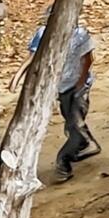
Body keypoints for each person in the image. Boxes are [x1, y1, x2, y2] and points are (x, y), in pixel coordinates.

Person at [29, 22, 100, 181]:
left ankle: (64, 162)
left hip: (78, 87)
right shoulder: (42, 33)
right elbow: (34, 59)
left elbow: (88, 59)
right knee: (71, 124)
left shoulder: (80, 34)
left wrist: (80, 83)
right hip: (61, 87)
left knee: (74, 124)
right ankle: (83, 145)